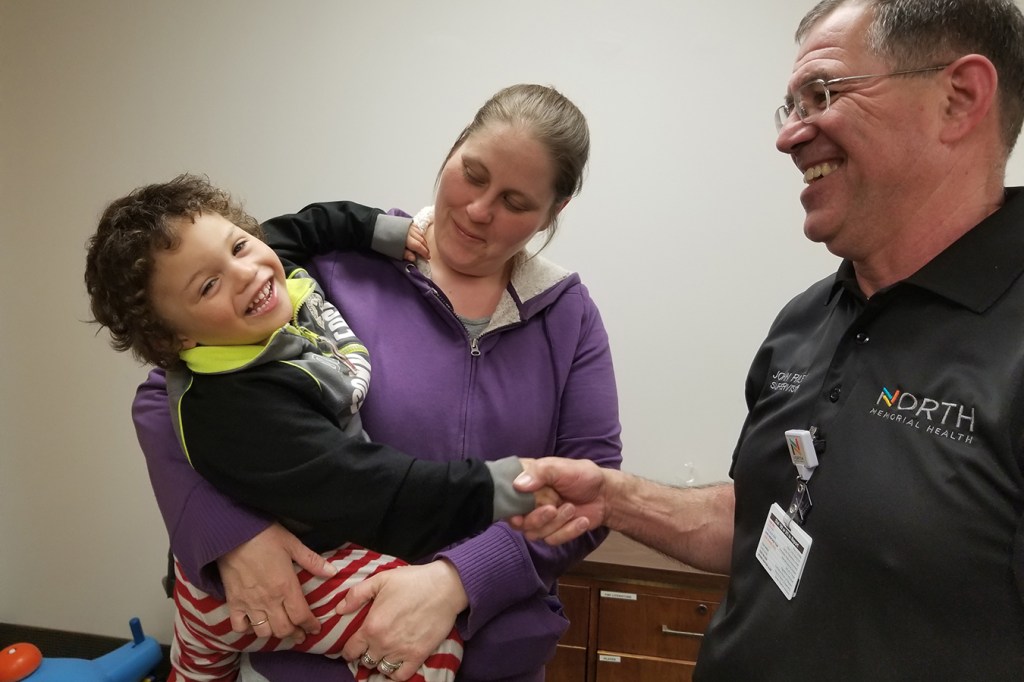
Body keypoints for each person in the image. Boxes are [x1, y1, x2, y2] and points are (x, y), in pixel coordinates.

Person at [513, 0, 1024, 679]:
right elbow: (766, 513)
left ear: (959, 99)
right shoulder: (804, 321)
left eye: (823, 93)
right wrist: (614, 498)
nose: (788, 137)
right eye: (791, 107)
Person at [132, 84, 622, 682]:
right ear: (453, 150)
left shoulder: (567, 316)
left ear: (553, 212)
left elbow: (592, 490)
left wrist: (459, 580)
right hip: (312, 658)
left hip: (498, 656)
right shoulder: (337, 268)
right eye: (471, 174)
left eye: (516, 202)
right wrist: (234, 534)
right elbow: (171, 397)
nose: (478, 209)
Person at [85, 173, 561, 682]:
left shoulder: (265, 273)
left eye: (240, 245)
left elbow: (306, 225)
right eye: (207, 285)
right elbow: (360, 484)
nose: (244, 273)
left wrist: (376, 229)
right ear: (174, 339)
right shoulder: (237, 406)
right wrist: (494, 487)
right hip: (272, 576)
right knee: (426, 643)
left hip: (229, 578)